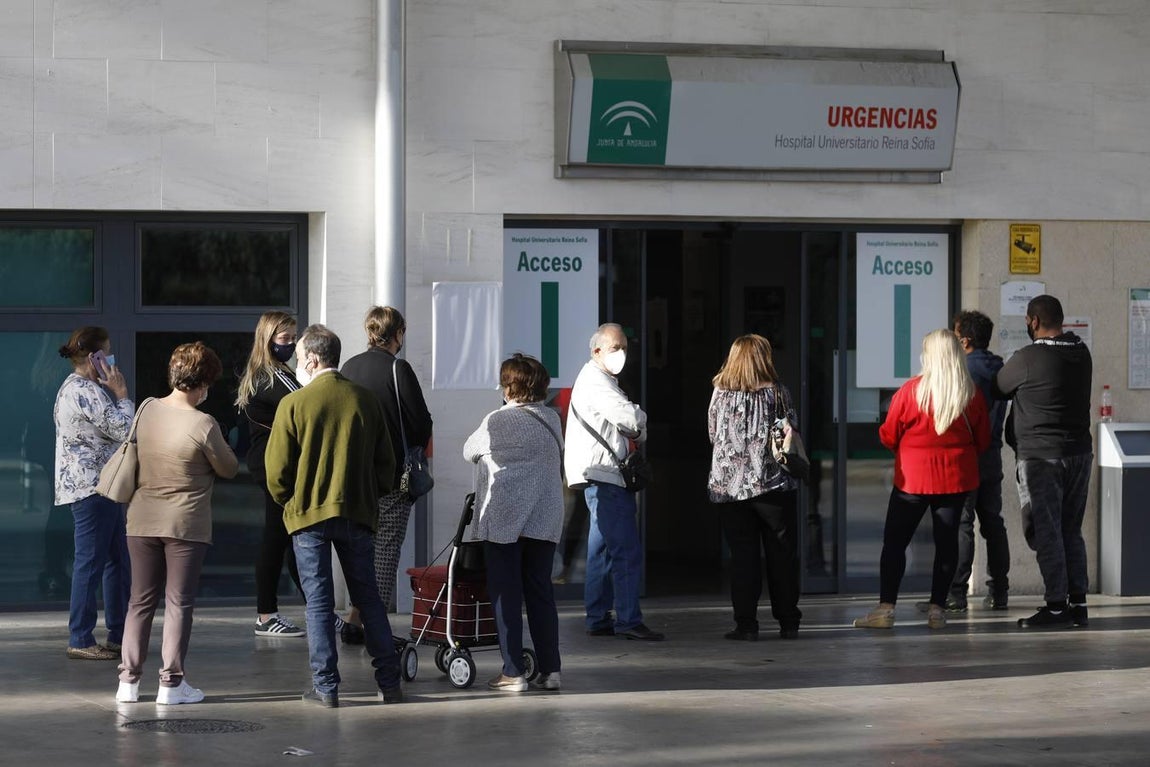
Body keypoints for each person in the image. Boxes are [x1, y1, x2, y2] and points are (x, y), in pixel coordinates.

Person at [265, 324, 403, 707]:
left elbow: (276, 472)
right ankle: (388, 682)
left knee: (319, 603)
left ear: (311, 358)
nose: (297, 363)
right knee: (369, 600)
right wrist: (368, 493)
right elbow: (386, 465)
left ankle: (326, 688)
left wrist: (289, 501)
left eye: (299, 357)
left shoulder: (293, 404)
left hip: (308, 515)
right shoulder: (364, 400)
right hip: (357, 513)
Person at [116, 342, 239, 704]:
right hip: (185, 524)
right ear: (203, 383)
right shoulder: (203, 424)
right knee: (177, 603)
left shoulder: (147, 409)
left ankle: (128, 683)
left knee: (139, 601)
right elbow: (229, 468)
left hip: (140, 519)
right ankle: (171, 685)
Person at [854, 329, 989, 631]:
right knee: (947, 544)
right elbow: (982, 440)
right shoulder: (971, 394)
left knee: (895, 543)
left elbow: (888, 434)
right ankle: (937, 610)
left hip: (912, 480)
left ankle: (886, 609)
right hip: (955, 479)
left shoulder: (910, 391)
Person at [464, 354, 564, 692]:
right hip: (545, 517)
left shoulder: (497, 420)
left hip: (505, 519)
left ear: (509, 386)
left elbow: (469, 450)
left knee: (506, 594)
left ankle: (512, 671)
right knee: (540, 593)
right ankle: (551, 670)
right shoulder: (552, 419)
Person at [993, 295, 1093, 629]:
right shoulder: (1081, 351)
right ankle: (1078, 605)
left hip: (1041, 458)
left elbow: (998, 386)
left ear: (1033, 321)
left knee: (1046, 531)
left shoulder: (1028, 358)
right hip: (1079, 453)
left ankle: (1054, 608)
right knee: (1070, 530)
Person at [564, 323, 664, 641]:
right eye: (614, 347)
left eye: (623, 346)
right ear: (596, 351)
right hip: (607, 477)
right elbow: (633, 420)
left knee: (601, 550)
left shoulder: (599, 380)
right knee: (625, 551)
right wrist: (640, 422)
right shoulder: (597, 382)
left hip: (598, 476)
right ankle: (628, 619)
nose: (621, 353)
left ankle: (597, 616)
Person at [340, 306, 432, 632]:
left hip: (353, 477)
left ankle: (354, 615)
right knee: (385, 550)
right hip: (391, 476)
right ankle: (371, 623)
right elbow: (421, 422)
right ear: (398, 334)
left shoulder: (348, 367)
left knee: (359, 549)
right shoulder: (398, 369)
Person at [707, 334, 802, 641]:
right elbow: (790, 432)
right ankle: (788, 621)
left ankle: (746, 624)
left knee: (743, 557)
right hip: (773, 486)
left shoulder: (720, 393)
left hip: (730, 489)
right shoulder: (778, 393)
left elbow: (712, 433)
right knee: (781, 556)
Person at [54, 326, 134, 661]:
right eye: (108, 351)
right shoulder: (83, 390)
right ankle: (81, 637)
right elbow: (124, 428)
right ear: (95, 357)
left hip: (103, 486)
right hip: (92, 488)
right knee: (90, 562)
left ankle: (118, 634)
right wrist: (123, 393)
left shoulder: (82, 388)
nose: (112, 359)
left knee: (117, 560)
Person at [236, 311, 305, 638]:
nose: (291, 344)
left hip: (272, 464)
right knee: (279, 540)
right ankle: (266, 615)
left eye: (294, 337)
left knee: (288, 539)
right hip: (276, 466)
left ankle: (310, 608)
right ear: (268, 339)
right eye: (285, 338)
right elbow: (306, 403)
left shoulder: (271, 373)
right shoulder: (272, 377)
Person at [947, 310, 1010, 611]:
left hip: (966, 455)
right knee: (993, 523)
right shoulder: (1001, 369)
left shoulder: (961, 371)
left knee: (963, 524)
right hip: (992, 455)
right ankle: (999, 589)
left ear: (965, 340)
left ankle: (957, 593)